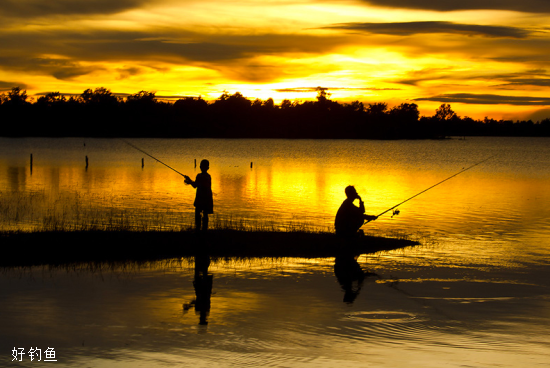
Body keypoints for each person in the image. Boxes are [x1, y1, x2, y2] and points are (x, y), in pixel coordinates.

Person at [184, 159, 213, 232]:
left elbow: (196, 185)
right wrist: (189, 181)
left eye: (203, 166)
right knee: (199, 214)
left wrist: (189, 181)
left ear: (207, 168)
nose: (202, 167)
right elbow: (195, 185)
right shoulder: (204, 176)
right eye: (202, 166)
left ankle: (202, 229)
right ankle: (199, 228)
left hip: (204, 198)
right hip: (203, 198)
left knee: (203, 214)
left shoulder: (205, 176)